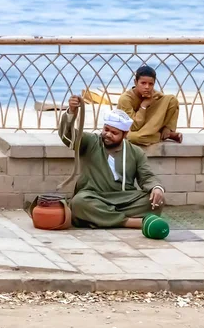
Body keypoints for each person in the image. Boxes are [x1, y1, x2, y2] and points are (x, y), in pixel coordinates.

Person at [58, 95, 166, 229]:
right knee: (79, 203)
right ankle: (129, 222)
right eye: (106, 130)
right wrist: (72, 112)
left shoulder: (135, 152)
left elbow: (147, 177)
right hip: (94, 196)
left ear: (125, 135)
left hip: (125, 198)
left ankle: (100, 218)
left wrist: (156, 188)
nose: (108, 134)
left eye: (114, 133)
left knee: (156, 202)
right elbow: (68, 136)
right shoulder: (91, 142)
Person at [117, 65, 183, 146]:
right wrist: (144, 105)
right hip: (133, 130)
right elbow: (134, 127)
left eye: (150, 84)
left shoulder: (154, 94)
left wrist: (168, 127)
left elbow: (167, 104)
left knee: (172, 99)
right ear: (135, 82)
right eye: (143, 83)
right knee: (133, 138)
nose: (147, 87)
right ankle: (163, 135)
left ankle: (166, 132)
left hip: (148, 127)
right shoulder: (125, 99)